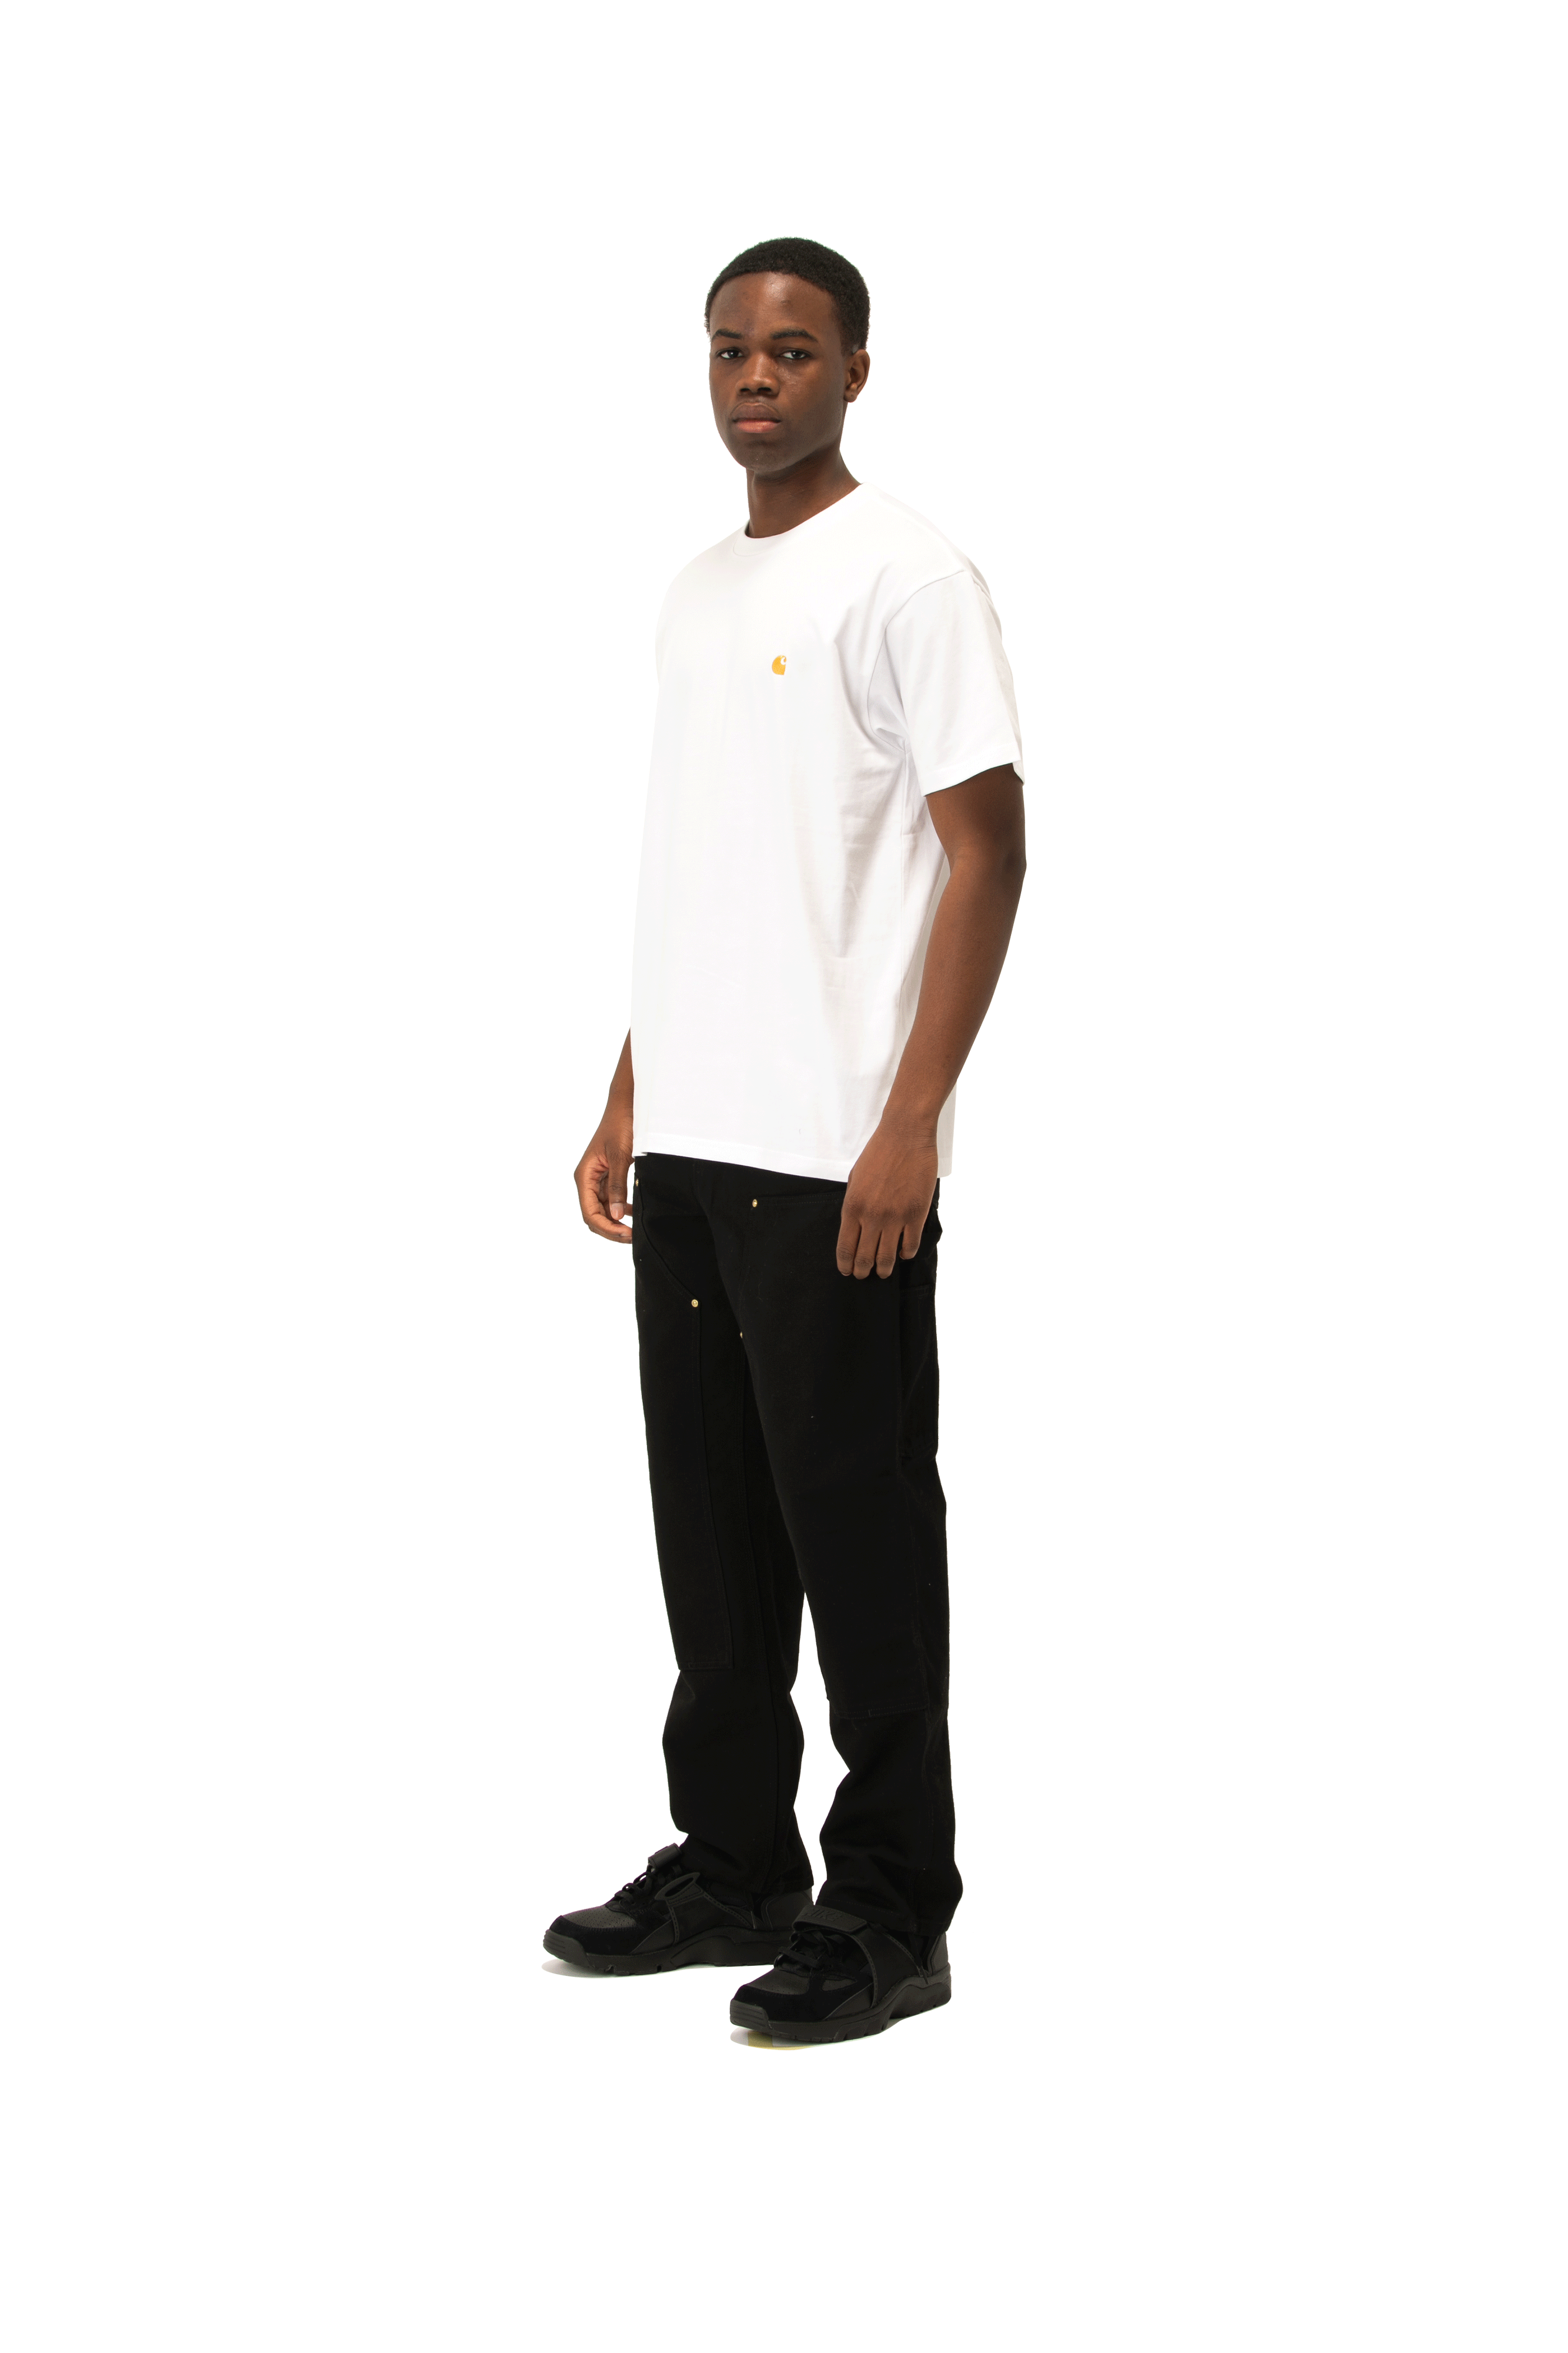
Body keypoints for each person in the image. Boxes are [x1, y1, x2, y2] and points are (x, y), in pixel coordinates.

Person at [547, 236, 1026, 2043]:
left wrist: (912, 1122)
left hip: (837, 1156)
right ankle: (735, 1863)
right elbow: (706, 864)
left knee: (861, 1537)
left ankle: (892, 1909)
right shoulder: (695, 592)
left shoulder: (911, 575)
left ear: (856, 371)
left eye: (795, 351)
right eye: (732, 349)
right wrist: (632, 1089)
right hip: (693, 1144)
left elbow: (991, 854)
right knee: (716, 1538)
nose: (758, 377)